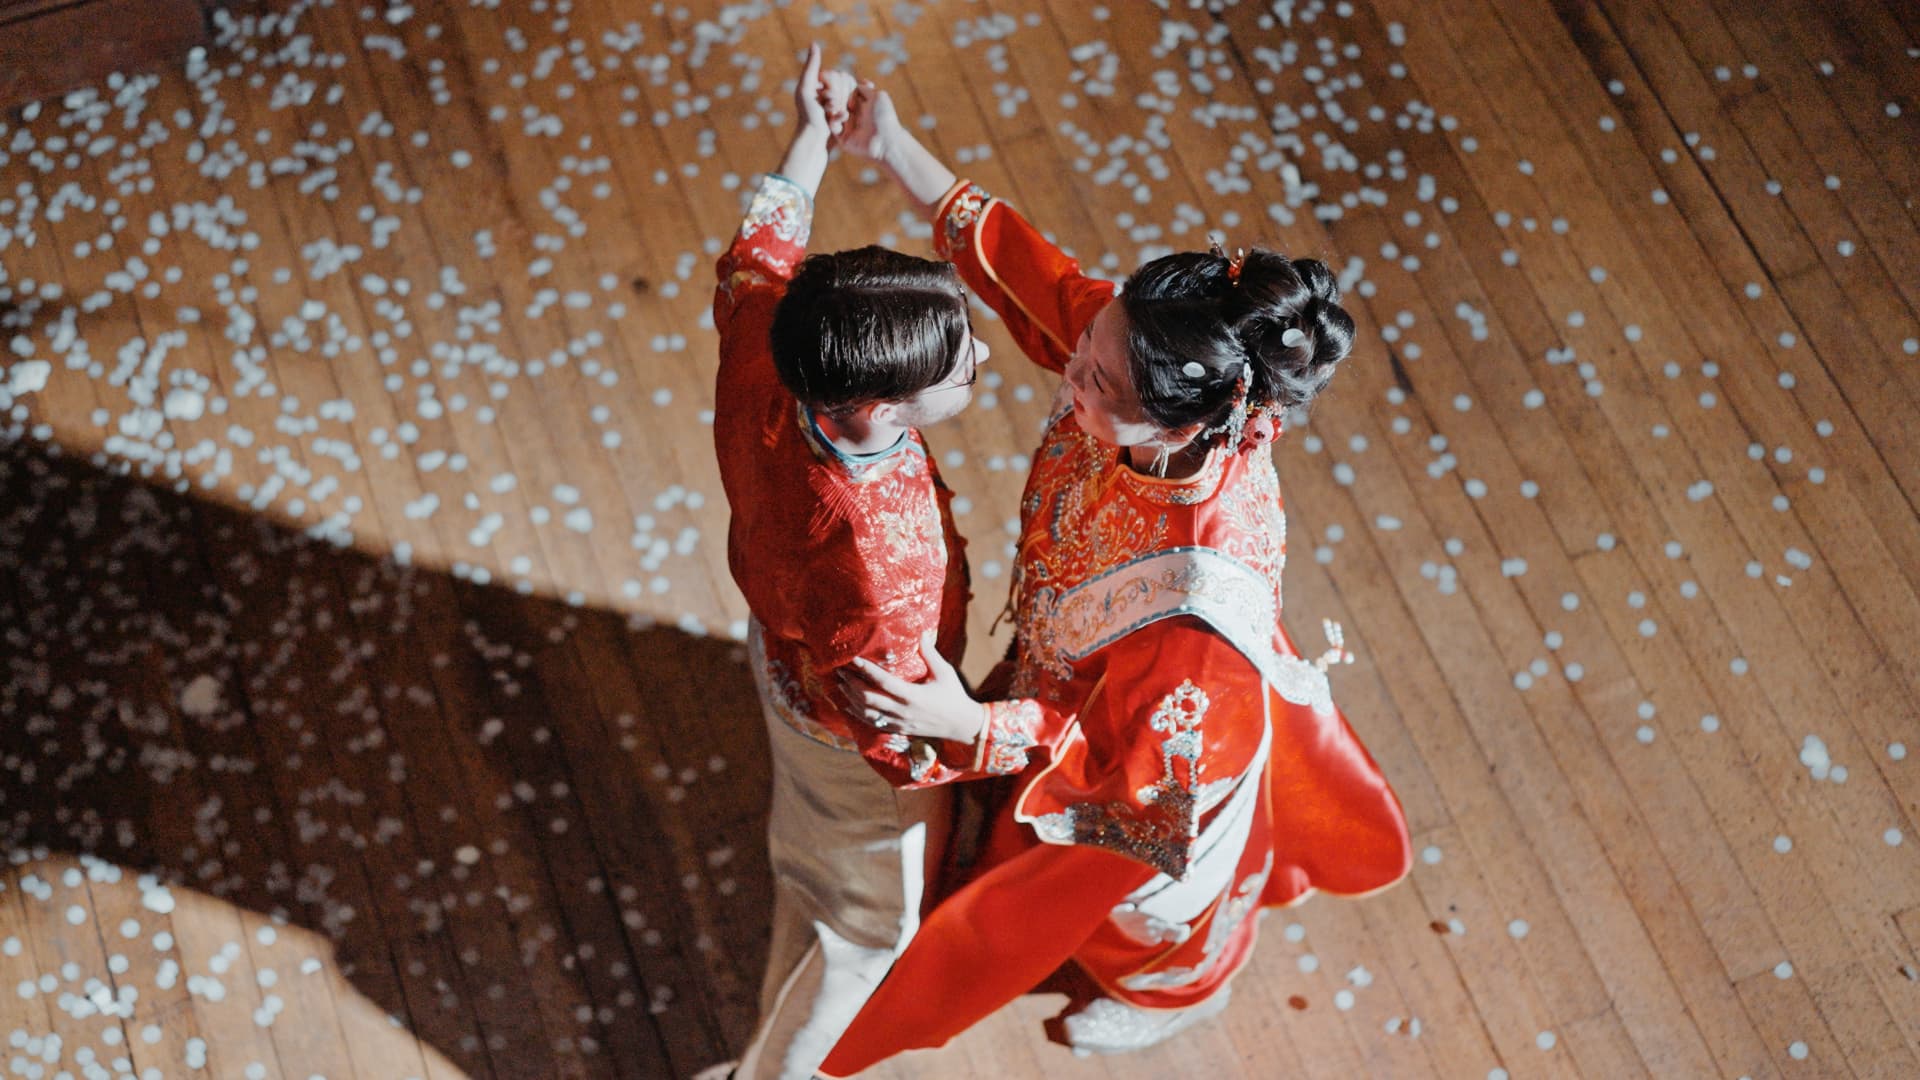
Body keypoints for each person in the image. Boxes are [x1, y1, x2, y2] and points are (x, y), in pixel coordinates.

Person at [821, 78, 1414, 1071]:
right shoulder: (1138, 354)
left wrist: (969, 727)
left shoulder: (1199, 605)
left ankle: (1179, 997)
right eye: (1087, 350)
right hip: (1068, 679)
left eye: (1097, 382)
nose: (1071, 372)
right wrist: (893, 147)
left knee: (1133, 911)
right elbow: (1039, 279)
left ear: (1186, 426)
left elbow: (1133, 777)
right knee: (1016, 848)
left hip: (1164, 754)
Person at [704, 46, 1010, 1080]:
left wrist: (810, 135)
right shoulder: (880, 564)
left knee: (808, 863)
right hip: (858, 737)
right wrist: (961, 777)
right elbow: (899, 718)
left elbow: (761, 242)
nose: (984, 360)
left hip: (776, 649)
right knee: (870, 935)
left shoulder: (769, 334)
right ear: (881, 408)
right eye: (960, 362)